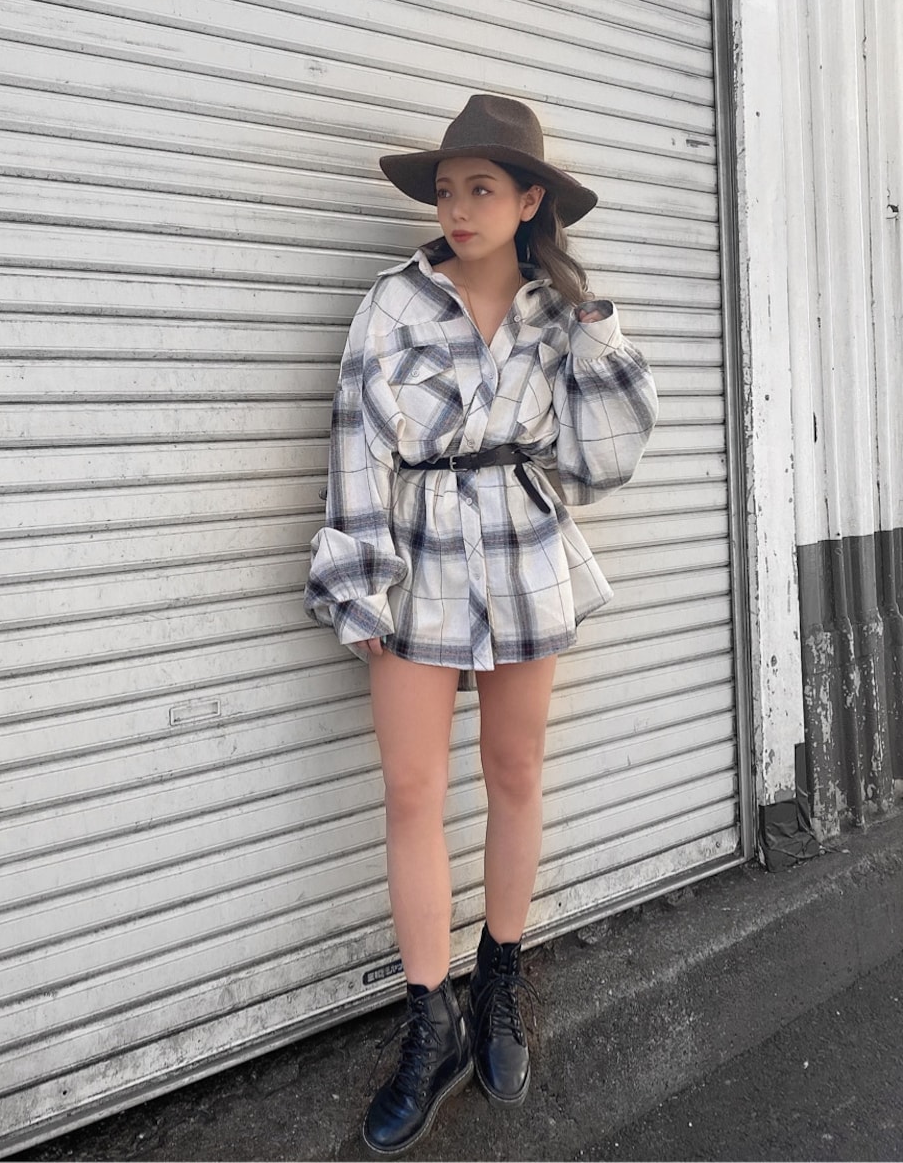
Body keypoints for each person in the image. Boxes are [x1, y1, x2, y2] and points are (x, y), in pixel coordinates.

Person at [304, 94, 658, 1156]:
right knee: (411, 789)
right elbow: (356, 442)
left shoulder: (559, 316)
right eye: (448, 190)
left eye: (482, 188)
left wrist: (597, 332)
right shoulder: (393, 303)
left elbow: (601, 463)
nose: (458, 208)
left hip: (522, 546)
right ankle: (433, 1022)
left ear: (529, 200)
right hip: (414, 553)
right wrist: (357, 577)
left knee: (515, 774)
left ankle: (500, 976)